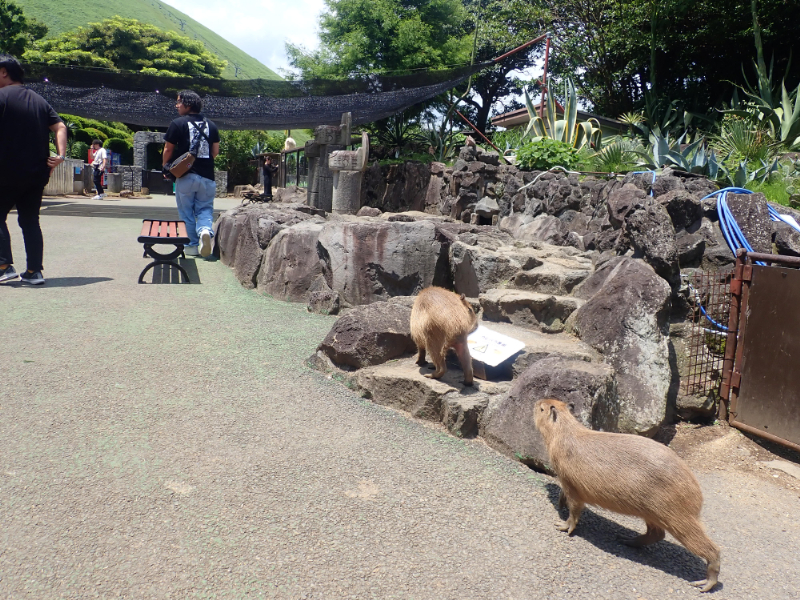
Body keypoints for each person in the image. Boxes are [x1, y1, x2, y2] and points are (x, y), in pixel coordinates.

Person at [0, 54, 67, 286]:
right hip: (36, 173)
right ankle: (33, 272)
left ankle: (4, 265)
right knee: (30, 220)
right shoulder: (39, 100)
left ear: (3, 72)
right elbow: (60, 125)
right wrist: (60, 155)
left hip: (6, 171)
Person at [162, 90, 220, 257]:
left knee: (186, 212)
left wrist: (166, 168)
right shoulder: (212, 125)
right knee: (205, 209)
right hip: (207, 177)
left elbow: (168, 149)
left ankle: (192, 246)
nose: (177, 105)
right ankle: (205, 231)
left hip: (185, 176)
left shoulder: (177, 123)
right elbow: (214, 152)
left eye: (179, 102)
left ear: (188, 105)